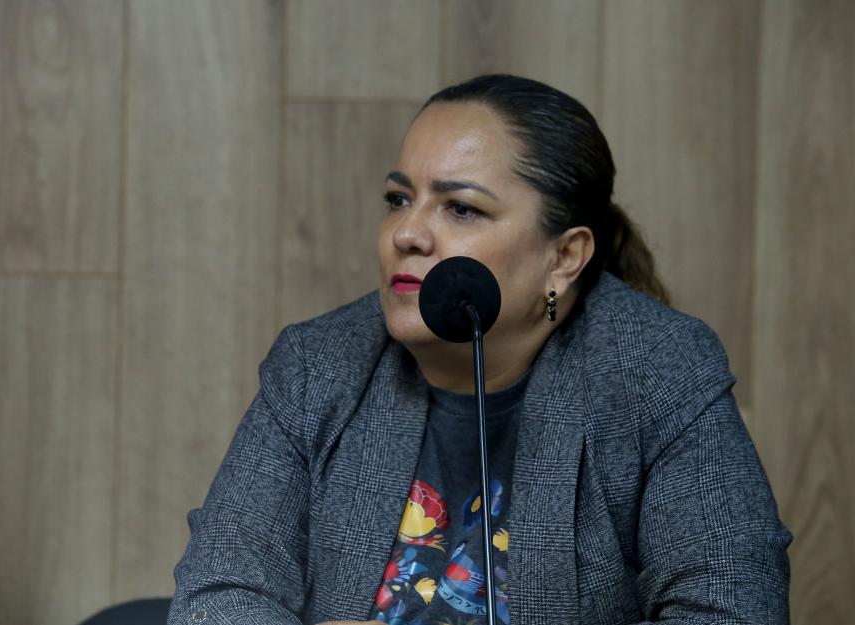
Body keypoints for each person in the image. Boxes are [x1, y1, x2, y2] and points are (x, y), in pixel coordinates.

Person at [166, 74, 791, 625]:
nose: (407, 233)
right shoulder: (318, 364)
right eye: (398, 199)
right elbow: (217, 591)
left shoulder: (657, 368)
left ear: (564, 256)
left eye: (461, 209)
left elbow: (734, 611)